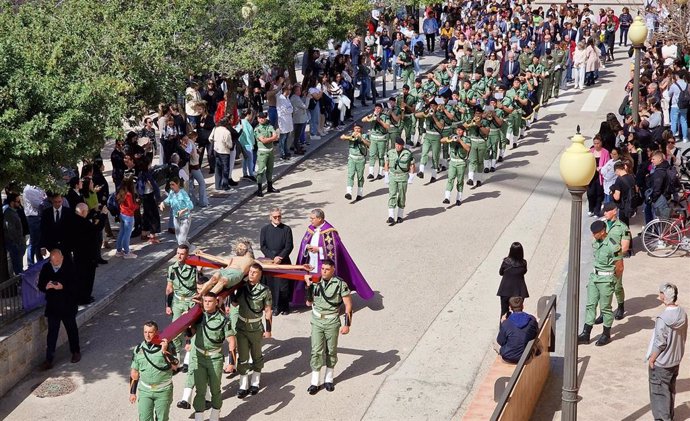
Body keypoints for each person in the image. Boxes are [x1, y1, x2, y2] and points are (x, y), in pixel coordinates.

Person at [294, 209, 374, 305]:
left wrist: (318, 249)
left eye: (312, 218)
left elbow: (335, 249)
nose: (310, 220)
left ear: (319, 219)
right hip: (311, 262)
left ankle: (328, 304)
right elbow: (304, 243)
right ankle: (315, 302)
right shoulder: (311, 228)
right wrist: (307, 247)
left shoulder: (329, 231)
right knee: (312, 283)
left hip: (323, 264)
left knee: (324, 284)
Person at [303, 259, 353, 394]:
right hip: (317, 320)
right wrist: (308, 286)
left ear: (333, 270)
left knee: (331, 350)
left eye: (327, 269)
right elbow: (308, 303)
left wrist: (347, 325)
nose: (323, 272)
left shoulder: (340, 284)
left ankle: (329, 378)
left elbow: (348, 305)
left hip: (331, 321)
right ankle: (315, 381)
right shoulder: (316, 282)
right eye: (322, 269)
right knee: (316, 350)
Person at [196, 238, 309, 297]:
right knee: (214, 278)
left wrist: (301, 267)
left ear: (247, 249)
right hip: (226, 270)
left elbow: (279, 267)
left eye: (242, 246)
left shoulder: (252, 261)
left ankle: (210, 296)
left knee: (222, 281)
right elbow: (217, 259)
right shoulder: (233, 258)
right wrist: (202, 254)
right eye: (238, 246)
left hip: (236, 274)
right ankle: (200, 295)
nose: (239, 247)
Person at [188, 292, 235, 421]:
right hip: (199, 358)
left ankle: (215, 416)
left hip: (215, 358)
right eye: (205, 301)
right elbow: (190, 333)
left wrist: (231, 362)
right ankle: (199, 417)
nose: (207, 303)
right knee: (200, 389)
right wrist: (187, 321)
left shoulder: (224, 320)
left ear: (216, 302)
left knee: (215, 389)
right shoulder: (198, 317)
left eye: (210, 301)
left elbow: (231, 340)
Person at [578, 220, 624, 347]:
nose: (593, 235)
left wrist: (613, 281)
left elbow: (619, 267)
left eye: (596, 233)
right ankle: (586, 334)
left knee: (605, 308)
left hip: (606, 280)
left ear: (603, 232)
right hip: (594, 277)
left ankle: (606, 334)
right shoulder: (596, 242)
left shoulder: (613, 245)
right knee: (590, 305)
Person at [647, 283, 687, 421]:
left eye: (660, 293)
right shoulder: (682, 313)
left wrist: (652, 359)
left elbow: (660, 343)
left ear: (664, 296)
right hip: (675, 361)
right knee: (670, 391)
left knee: (659, 395)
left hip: (661, 363)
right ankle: (669, 416)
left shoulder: (662, 319)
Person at [232, 263, 273, 398]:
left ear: (260, 275)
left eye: (254, 272)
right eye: (250, 272)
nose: (251, 274)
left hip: (255, 328)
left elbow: (267, 311)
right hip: (242, 326)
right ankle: (243, 385)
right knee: (243, 357)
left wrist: (268, 330)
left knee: (256, 355)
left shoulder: (265, 290)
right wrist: (233, 289)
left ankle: (255, 382)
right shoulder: (242, 288)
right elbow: (234, 303)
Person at [37, 249, 80, 369]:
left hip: (67, 305)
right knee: (52, 333)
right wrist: (46, 286)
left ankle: (75, 352)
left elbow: (76, 286)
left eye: (56, 261)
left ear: (62, 258)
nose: (54, 263)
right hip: (53, 306)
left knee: (71, 329)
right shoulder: (46, 268)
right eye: (52, 261)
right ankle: (49, 359)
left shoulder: (70, 267)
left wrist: (63, 287)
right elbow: (40, 285)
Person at [129, 321, 178, 421]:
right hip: (145, 391)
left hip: (163, 390)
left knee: (162, 419)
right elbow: (134, 372)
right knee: (144, 418)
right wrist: (132, 392)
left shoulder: (167, 344)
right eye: (145, 332)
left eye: (150, 332)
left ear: (156, 332)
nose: (147, 335)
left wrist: (165, 352)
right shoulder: (138, 349)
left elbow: (175, 365)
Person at [594, 203, 631, 323]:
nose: (604, 213)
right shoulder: (602, 224)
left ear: (614, 211)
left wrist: (611, 251)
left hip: (615, 262)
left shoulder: (622, 228)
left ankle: (620, 306)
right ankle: (603, 312)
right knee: (602, 288)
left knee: (617, 286)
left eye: (607, 211)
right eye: (604, 211)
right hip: (602, 262)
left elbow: (625, 247)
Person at [165, 245, 198, 369]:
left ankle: (189, 356)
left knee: (191, 329)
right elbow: (169, 288)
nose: (179, 256)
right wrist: (168, 305)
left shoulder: (193, 269)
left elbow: (199, 286)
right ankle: (177, 357)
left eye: (182, 254)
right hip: (178, 302)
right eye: (177, 253)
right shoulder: (172, 269)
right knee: (176, 329)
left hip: (191, 302)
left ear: (187, 255)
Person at [259, 208, 294, 316]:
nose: (277, 218)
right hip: (270, 262)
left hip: (283, 261)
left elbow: (289, 246)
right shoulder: (265, 229)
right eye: (275, 217)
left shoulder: (286, 229)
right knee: (272, 285)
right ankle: (275, 307)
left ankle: (285, 307)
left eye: (279, 216)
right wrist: (273, 257)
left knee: (284, 286)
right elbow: (263, 246)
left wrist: (280, 257)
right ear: (270, 217)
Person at [73, 203, 107, 305]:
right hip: (87, 255)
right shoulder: (83, 223)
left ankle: (81, 296)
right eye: (87, 211)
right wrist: (104, 215)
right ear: (83, 212)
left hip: (78, 254)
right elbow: (97, 229)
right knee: (88, 278)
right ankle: (85, 298)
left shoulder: (73, 220)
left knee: (80, 277)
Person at [496, 297, 539, 364]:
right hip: (526, 358)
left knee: (494, 342)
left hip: (507, 358)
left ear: (510, 307)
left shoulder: (506, 323)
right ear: (523, 306)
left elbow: (500, 341)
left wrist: (502, 323)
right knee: (537, 340)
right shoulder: (532, 319)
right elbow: (535, 333)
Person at [384, 137, 416, 225]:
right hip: (393, 176)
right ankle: (391, 216)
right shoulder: (390, 152)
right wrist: (386, 175)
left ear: (402, 145)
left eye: (400, 145)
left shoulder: (407, 153)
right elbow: (386, 164)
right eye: (397, 145)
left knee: (401, 196)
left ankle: (400, 216)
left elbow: (412, 165)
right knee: (392, 195)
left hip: (403, 176)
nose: (398, 146)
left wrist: (411, 177)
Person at [496, 242, 529, 318]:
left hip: (505, 290)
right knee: (517, 312)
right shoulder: (523, 263)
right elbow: (524, 272)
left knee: (504, 312)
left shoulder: (506, 262)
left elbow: (501, 273)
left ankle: (504, 328)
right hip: (519, 291)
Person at [440, 125, 471, 205]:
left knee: (460, 181)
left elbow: (468, 148)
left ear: (463, 132)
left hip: (461, 162)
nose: (459, 132)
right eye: (458, 130)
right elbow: (441, 140)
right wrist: (449, 139)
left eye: (460, 130)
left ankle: (459, 198)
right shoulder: (452, 136)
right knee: (450, 179)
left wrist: (460, 141)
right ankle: (447, 197)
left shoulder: (466, 139)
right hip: (453, 162)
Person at [159, 176, 194, 247]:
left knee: (182, 239)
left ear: (177, 184)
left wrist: (183, 211)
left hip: (185, 218)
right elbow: (168, 200)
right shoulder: (171, 193)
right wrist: (163, 203)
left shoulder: (183, 193)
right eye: (170, 185)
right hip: (176, 218)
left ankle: (191, 249)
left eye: (173, 184)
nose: (171, 186)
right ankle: (186, 251)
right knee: (178, 239)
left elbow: (191, 205)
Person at [341, 123, 371, 200]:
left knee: (360, 177)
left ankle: (359, 193)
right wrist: (348, 137)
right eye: (355, 128)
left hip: (360, 159)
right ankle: (349, 192)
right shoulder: (351, 135)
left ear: (361, 129)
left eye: (358, 128)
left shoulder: (364, 135)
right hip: (352, 158)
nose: (357, 130)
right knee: (350, 175)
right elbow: (342, 137)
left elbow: (369, 144)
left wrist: (361, 138)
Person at [254, 112, 280, 197]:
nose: (262, 119)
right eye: (260, 118)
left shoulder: (269, 126)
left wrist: (270, 138)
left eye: (263, 118)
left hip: (270, 151)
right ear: (258, 119)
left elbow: (276, 136)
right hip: (262, 152)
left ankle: (270, 186)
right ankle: (259, 189)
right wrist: (272, 138)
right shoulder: (257, 129)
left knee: (270, 170)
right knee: (261, 171)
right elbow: (264, 141)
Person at [40, 192, 73, 257]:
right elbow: (43, 230)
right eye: (55, 202)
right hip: (52, 245)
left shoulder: (69, 212)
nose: (58, 204)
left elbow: (72, 229)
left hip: (66, 245)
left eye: (59, 201)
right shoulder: (46, 213)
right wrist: (42, 246)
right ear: (52, 201)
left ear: (62, 201)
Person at [209, 118, 237, 191]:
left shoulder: (215, 129)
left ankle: (217, 185)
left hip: (216, 150)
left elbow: (210, 138)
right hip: (224, 152)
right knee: (225, 169)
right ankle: (225, 186)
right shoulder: (226, 132)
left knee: (218, 168)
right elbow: (229, 144)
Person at [115, 177, 139, 259]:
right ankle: (126, 252)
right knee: (127, 235)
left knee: (121, 232)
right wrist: (137, 205)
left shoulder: (121, 191)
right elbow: (131, 207)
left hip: (122, 214)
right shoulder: (128, 194)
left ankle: (118, 251)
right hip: (128, 216)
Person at [3, 192, 25, 275]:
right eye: (18, 201)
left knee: (19, 267)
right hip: (15, 246)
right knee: (18, 269)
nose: (20, 203)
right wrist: (17, 244)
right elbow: (11, 232)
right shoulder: (9, 214)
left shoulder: (14, 212)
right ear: (12, 203)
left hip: (18, 245)